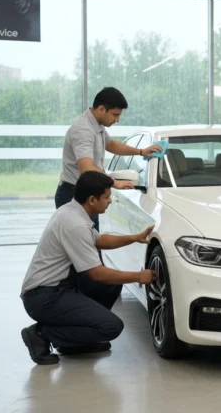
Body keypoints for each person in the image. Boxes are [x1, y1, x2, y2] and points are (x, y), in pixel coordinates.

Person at [20, 171, 156, 365]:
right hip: (44, 297)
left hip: (57, 288)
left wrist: (134, 237)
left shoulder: (72, 211)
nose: (110, 201)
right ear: (92, 199)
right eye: (107, 197)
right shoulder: (75, 224)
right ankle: (40, 334)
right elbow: (96, 273)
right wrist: (137, 276)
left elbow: (99, 240)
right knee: (111, 327)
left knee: (111, 286)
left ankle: (76, 341)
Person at [56, 87, 163, 230]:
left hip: (88, 195)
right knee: (81, 249)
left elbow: (111, 145)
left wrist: (141, 151)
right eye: (115, 115)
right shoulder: (83, 130)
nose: (117, 120)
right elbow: (86, 168)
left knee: (91, 246)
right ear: (101, 109)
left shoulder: (96, 125)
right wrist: (114, 183)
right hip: (73, 196)